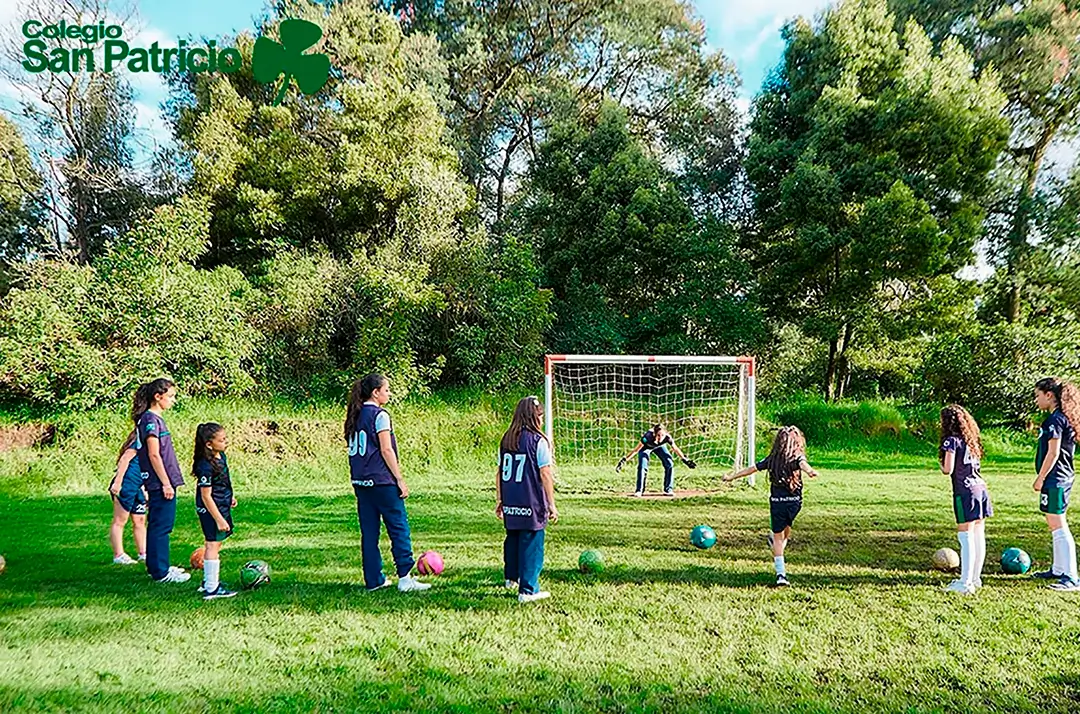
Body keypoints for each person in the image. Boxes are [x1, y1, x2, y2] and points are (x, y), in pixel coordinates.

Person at [344, 373, 429, 592]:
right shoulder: (380, 415)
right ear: (376, 392)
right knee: (399, 527)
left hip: (361, 482)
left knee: (369, 533)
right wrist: (399, 479)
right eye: (387, 390)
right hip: (382, 481)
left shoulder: (354, 414)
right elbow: (386, 449)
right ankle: (405, 577)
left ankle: (374, 580)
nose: (389, 394)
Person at [724, 426, 817, 587]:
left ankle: (776, 546)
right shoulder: (785, 458)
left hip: (783, 503)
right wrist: (810, 471)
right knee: (780, 537)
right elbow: (803, 464)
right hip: (793, 504)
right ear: (796, 442)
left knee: (783, 534)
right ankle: (781, 574)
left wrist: (732, 477)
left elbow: (751, 469)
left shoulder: (778, 459)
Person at [497, 396, 558, 603]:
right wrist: (551, 504)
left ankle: (511, 578)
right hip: (531, 500)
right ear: (534, 417)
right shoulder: (537, 441)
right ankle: (528, 590)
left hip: (511, 499)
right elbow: (545, 474)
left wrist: (500, 499)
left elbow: (499, 472)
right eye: (539, 415)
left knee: (513, 538)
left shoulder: (507, 438)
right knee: (532, 542)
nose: (541, 420)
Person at [134, 378, 191, 584]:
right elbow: (154, 454)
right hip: (160, 483)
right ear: (157, 397)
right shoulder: (151, 420)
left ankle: (157, 565)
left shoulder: (153, 419)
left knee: (157, 524)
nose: (173, 401)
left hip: (160, 482)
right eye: (170, 396)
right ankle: (161, 572)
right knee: (162, 526)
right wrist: (166, 483)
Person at [1031, 377, 1078, 591]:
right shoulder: (1058, 418)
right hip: (1060, 477)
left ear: (1049, 395)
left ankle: (1071, 577)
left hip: (1056, 478)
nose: (1036, 400)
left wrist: (1040, 477)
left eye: (1037, 395)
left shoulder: (1055, 421)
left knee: (1059, 524)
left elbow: (1054, 452)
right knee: (1054, 524)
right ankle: (1058, 569)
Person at [939, 404, 991, 594]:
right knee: (978, 534)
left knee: (965, 536)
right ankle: (975, 578)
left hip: (965, 492)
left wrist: (941, 461)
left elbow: (948, 469)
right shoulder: (972, 440)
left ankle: (965, 583)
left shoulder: (951, 441)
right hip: (981, 489)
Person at [193, 423, 238, 600]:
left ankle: (208, 581)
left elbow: (223, 482)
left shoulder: (221, 457)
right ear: (209, 444)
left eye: (225, 438)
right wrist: (218, 518)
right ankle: (212, 589)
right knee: (212, 544)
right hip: (211, 509)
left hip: (221, 504)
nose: (226, 442)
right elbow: (206, 496)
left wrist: (229, 498)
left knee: (216, 543)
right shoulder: (205, 466)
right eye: (222, 440)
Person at [616, 423, 696, 496]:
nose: (660, 437)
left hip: (659, 447)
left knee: (669, 463)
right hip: (646, 448)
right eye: (658, 435)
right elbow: (636, 450)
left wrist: (685, 459)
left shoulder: (667, 437)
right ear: (654, 434)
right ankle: (639, 490)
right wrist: (624, 460)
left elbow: (675, 449)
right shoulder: (647, 437)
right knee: (642, 465)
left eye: (662, 435)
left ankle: (668, 489)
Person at [108, 430, 147, 565]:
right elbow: (125, 459)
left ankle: (143, 552)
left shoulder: (150, 445)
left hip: (138, 487)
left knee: (140, 520)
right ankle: (118, 555)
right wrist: (118, 483)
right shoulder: (138, 441)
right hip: (126, 484)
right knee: (120, 520)